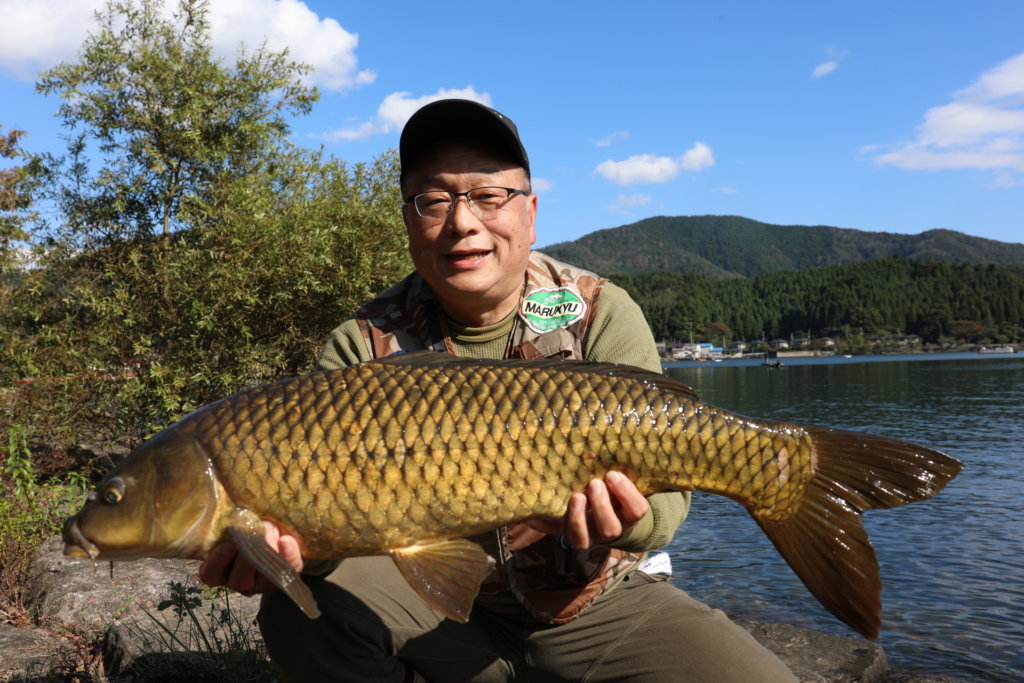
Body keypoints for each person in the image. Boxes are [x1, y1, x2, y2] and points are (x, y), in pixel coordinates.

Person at [201, 99, 796, 682]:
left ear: (530, 212)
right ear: (408, 219)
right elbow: (328, 542)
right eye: (434, 200)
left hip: (594, 607)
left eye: (489, 196)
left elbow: (666, 512)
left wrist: (627, 522)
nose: (462, 221)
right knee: (299, 611)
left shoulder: (600, 311)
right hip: (435, 606)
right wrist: (287, 553)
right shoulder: (362, 345)